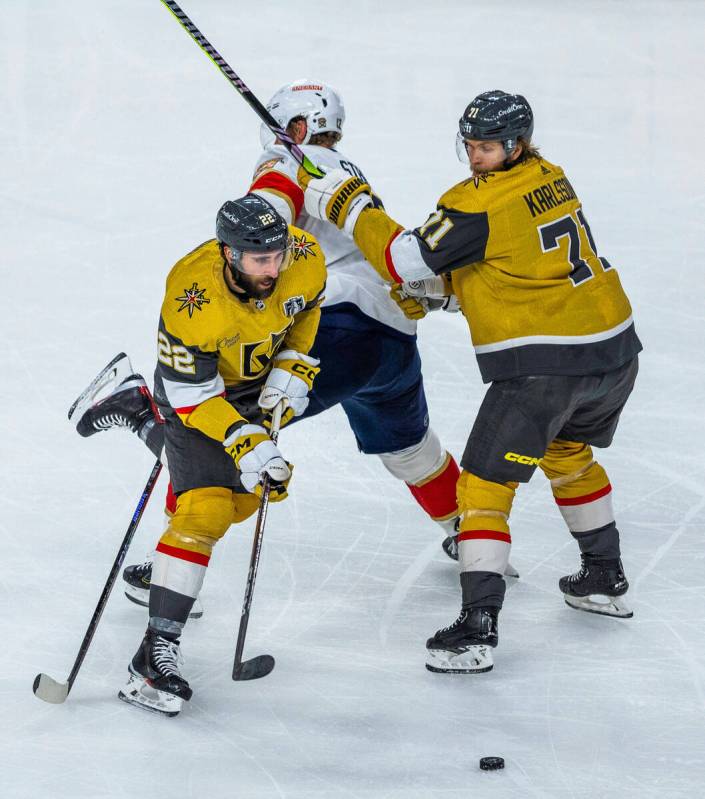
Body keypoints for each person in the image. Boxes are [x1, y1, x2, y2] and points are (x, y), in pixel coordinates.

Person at [77, 80, 481, 616]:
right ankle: (468, 534)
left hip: (333, 327)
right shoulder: (344, 168)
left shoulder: (286, 159)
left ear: (292, 127)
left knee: (234, 440)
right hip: (388, 337)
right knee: (406, 446)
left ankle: (143, 414)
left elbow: (259, 221)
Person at [301, 89, 642, 674]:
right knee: (567, 454)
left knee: (482, 489)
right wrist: (441, 292)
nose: (475, 156)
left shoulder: (475, 206)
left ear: (517, 144)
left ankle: (478, 626)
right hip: (612, 351)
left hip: (545, 366)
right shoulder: (552, 176)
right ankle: (603, 576)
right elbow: (511, 262)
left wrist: (350, 206)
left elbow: (406, 257)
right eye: (470, 145)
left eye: (487, 146)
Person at [115, 194, 326, 715]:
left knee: (246, 499)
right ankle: (153, 655)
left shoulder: (302, 256)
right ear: (229, 254)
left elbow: (306, 309)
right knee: (203, 509)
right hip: (196, 398)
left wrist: (294, 364)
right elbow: (192, 398)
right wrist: (245, 439)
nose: (273, 268)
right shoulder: (192, 295)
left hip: (252, 390)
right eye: (260, 260)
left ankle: (137, 414)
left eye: (277, 255)